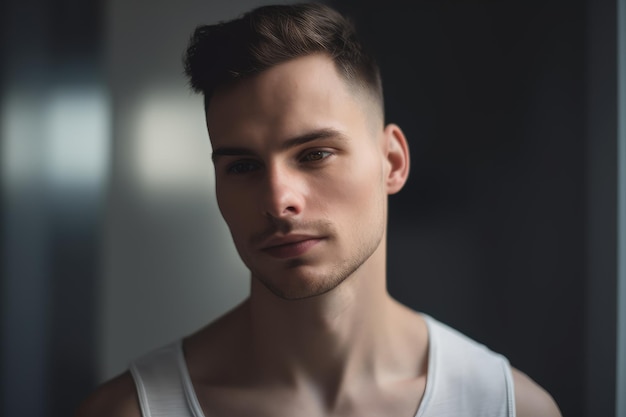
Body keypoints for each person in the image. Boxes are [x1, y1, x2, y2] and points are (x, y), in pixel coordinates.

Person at [75, 3, 563, 416]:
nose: (278, 199)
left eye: (314, 154)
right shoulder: (132, 409)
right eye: (243, 166)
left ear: (392, 163)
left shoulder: (505, 406)